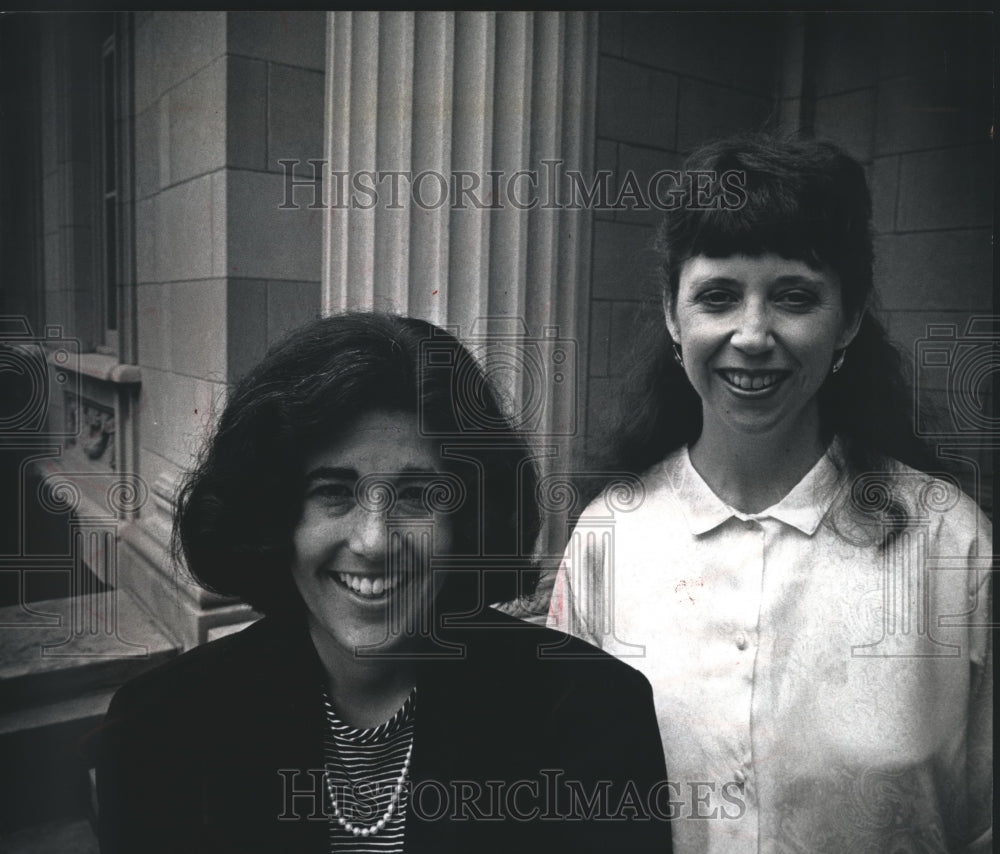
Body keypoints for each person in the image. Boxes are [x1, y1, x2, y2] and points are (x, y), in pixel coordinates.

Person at [548, 134, 993, 853]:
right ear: (672, 313)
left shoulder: (949, 544)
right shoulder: (610, 538)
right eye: (718, 296)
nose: (752, 335)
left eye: (793, 297)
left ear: (848, 318)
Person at [97, 312, 673, 853]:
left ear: (467, 519)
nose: (373, 541)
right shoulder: (162, 730)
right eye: (334, 491)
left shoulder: (590, 714)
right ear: (275, 515)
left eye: (418, 495)